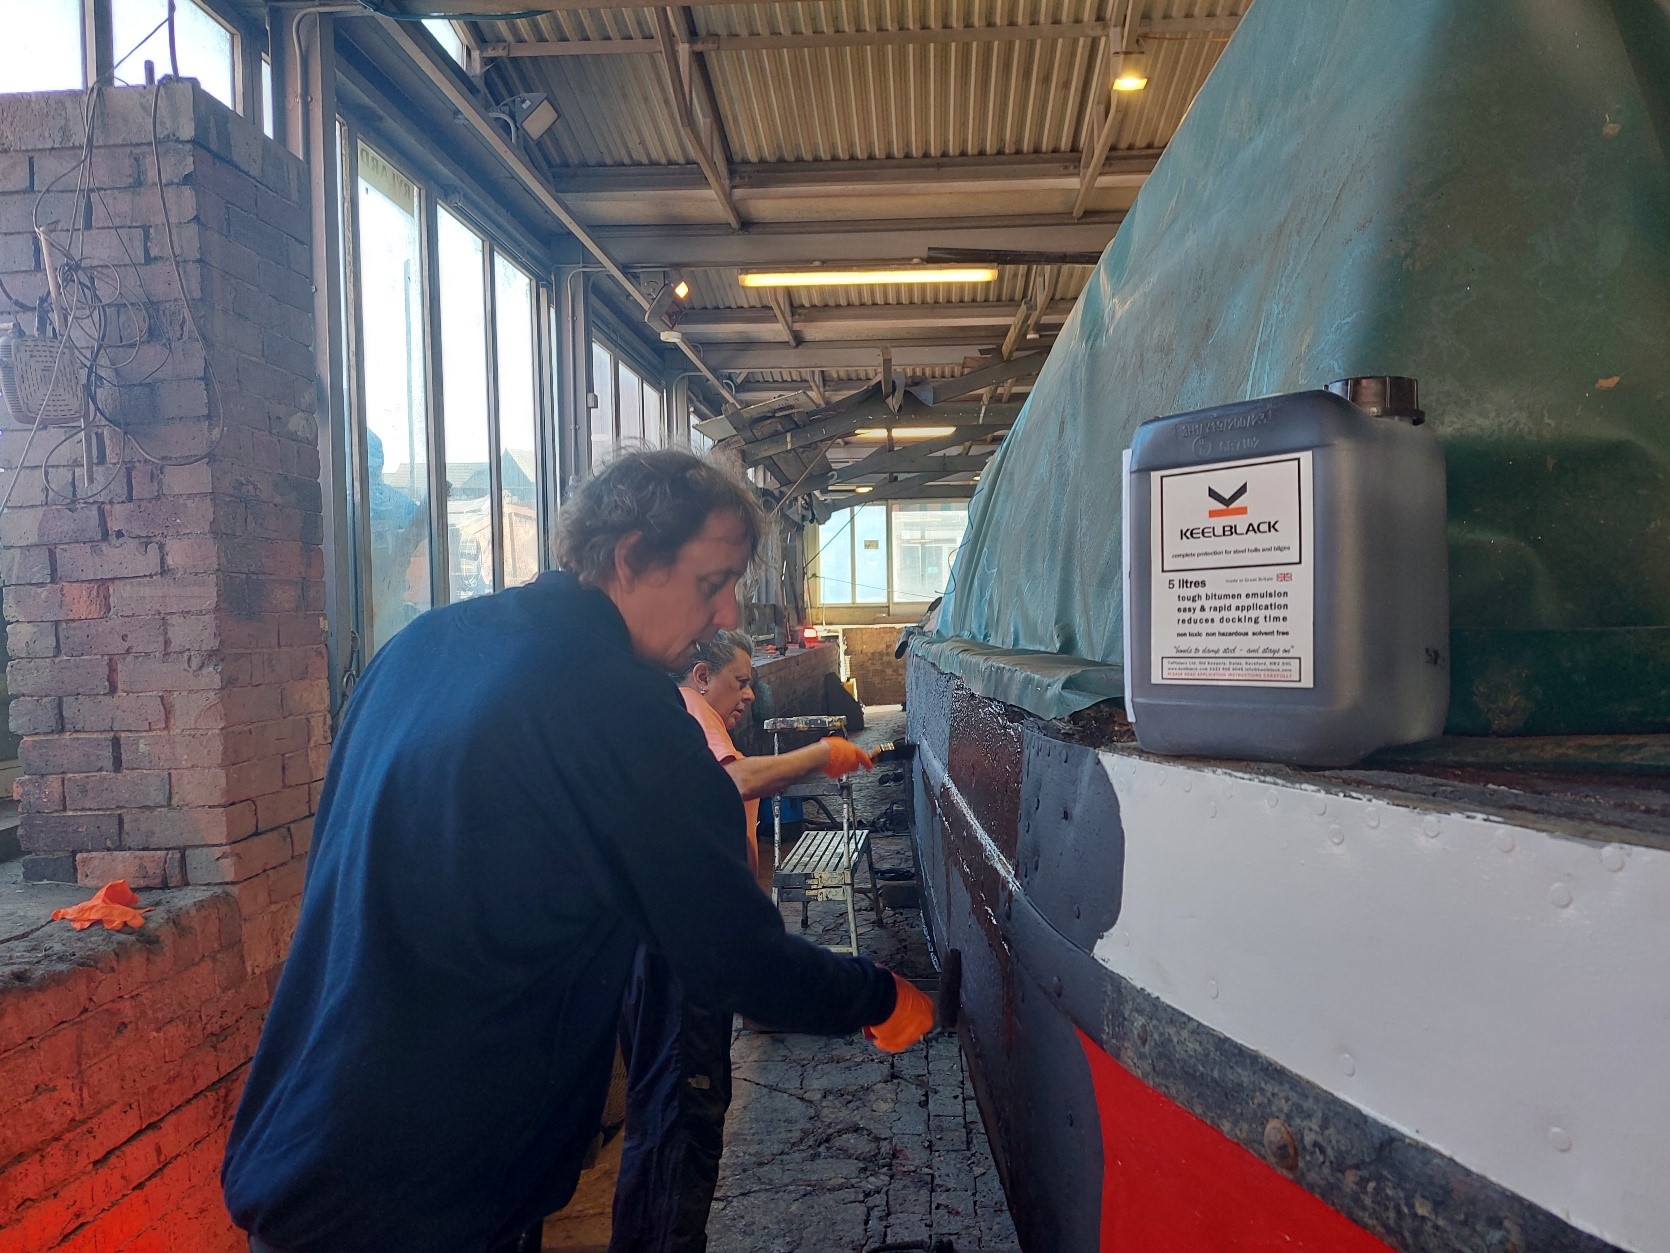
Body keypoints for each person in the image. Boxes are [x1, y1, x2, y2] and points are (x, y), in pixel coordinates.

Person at [221, 449, 935, 1253]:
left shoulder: (419, 648)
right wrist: (877, 994)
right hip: (433, 1185)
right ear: (631, 556)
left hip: (302, 1139)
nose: (724, 609)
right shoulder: (623, 710)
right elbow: (733, 957)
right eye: (712, 582)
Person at [610, 631, 873, 1252]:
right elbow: (731, 785)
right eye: (741, 680)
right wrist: (818, 755)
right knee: (681, 1120)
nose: (750, 694)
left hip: (672, 946)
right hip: (682, 955)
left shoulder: (682, 717)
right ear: (700, 676)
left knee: (667, 1119)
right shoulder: (685, 720)